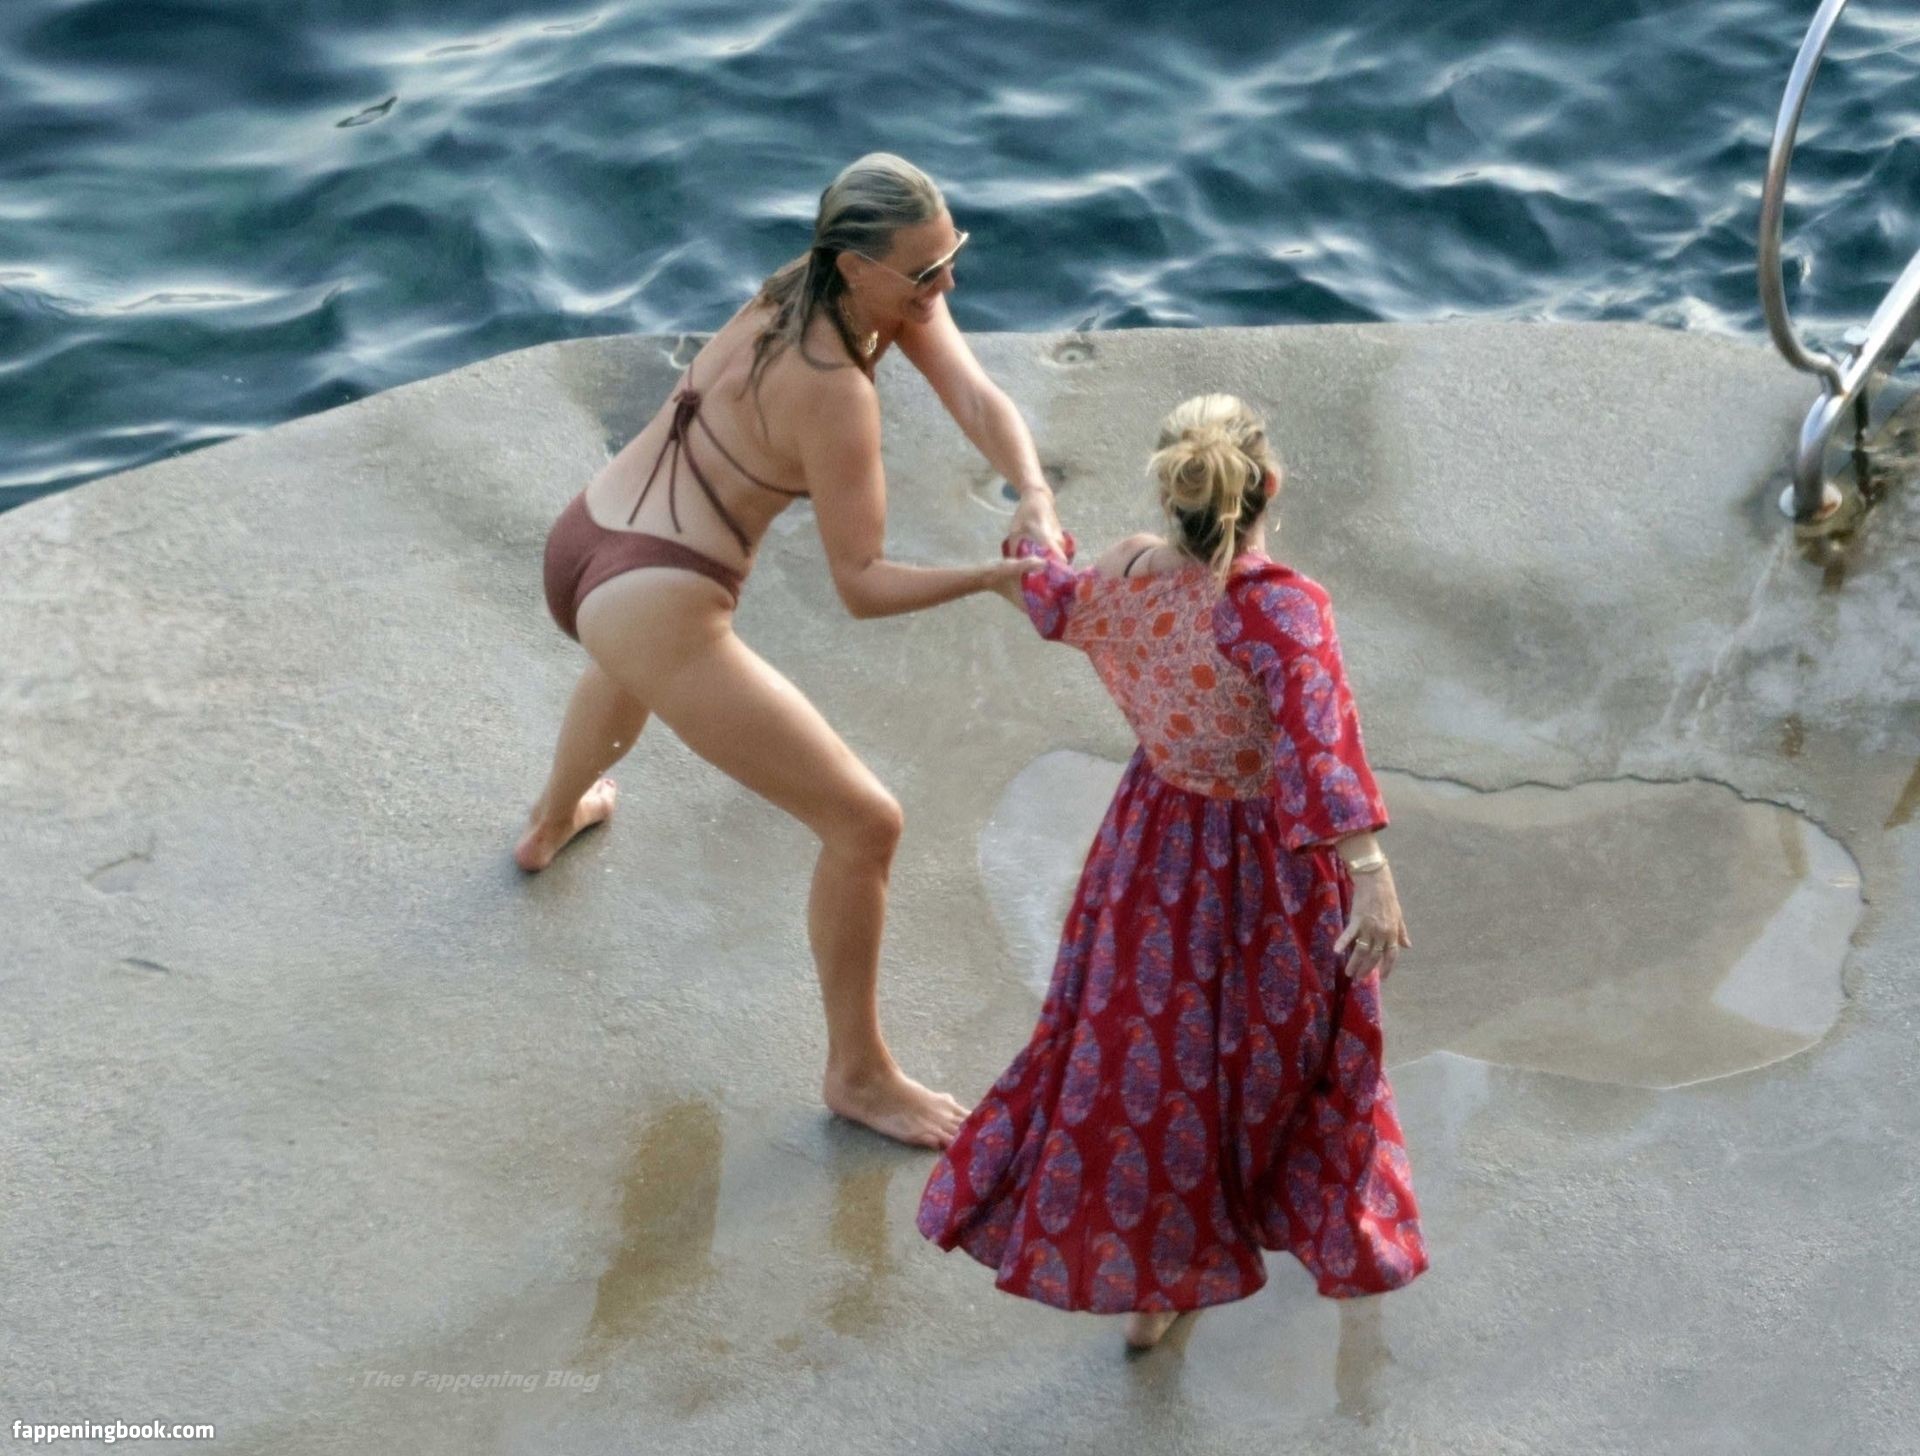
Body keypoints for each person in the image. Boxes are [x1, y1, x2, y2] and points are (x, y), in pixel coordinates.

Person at [518, 154, 1063, 1151]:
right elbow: (863, 584)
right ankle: (859, 1074)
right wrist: (989, 578)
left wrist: (1032, 491)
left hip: (587, 543)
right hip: (655, 592)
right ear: (857, 266)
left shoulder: (798, 286)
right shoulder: (835, 391)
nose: (947, 286)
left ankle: (550, 822)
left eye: (952, 257)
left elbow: (977, 396)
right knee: (866, 823)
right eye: (926, 273)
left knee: (627, 664)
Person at [916, 393, 1427, 1348]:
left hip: (1152, 851)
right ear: (1269, 484)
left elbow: (1050, 597)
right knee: (1299, 1056)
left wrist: (1033, 528)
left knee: (1161, 1061)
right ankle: (1337, 1234)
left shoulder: (1123, 577)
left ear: (1170, 492)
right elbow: (1318, 750)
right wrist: (1368, 869)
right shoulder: (1280, 609)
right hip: (1272, 867)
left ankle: (1162, 1280)